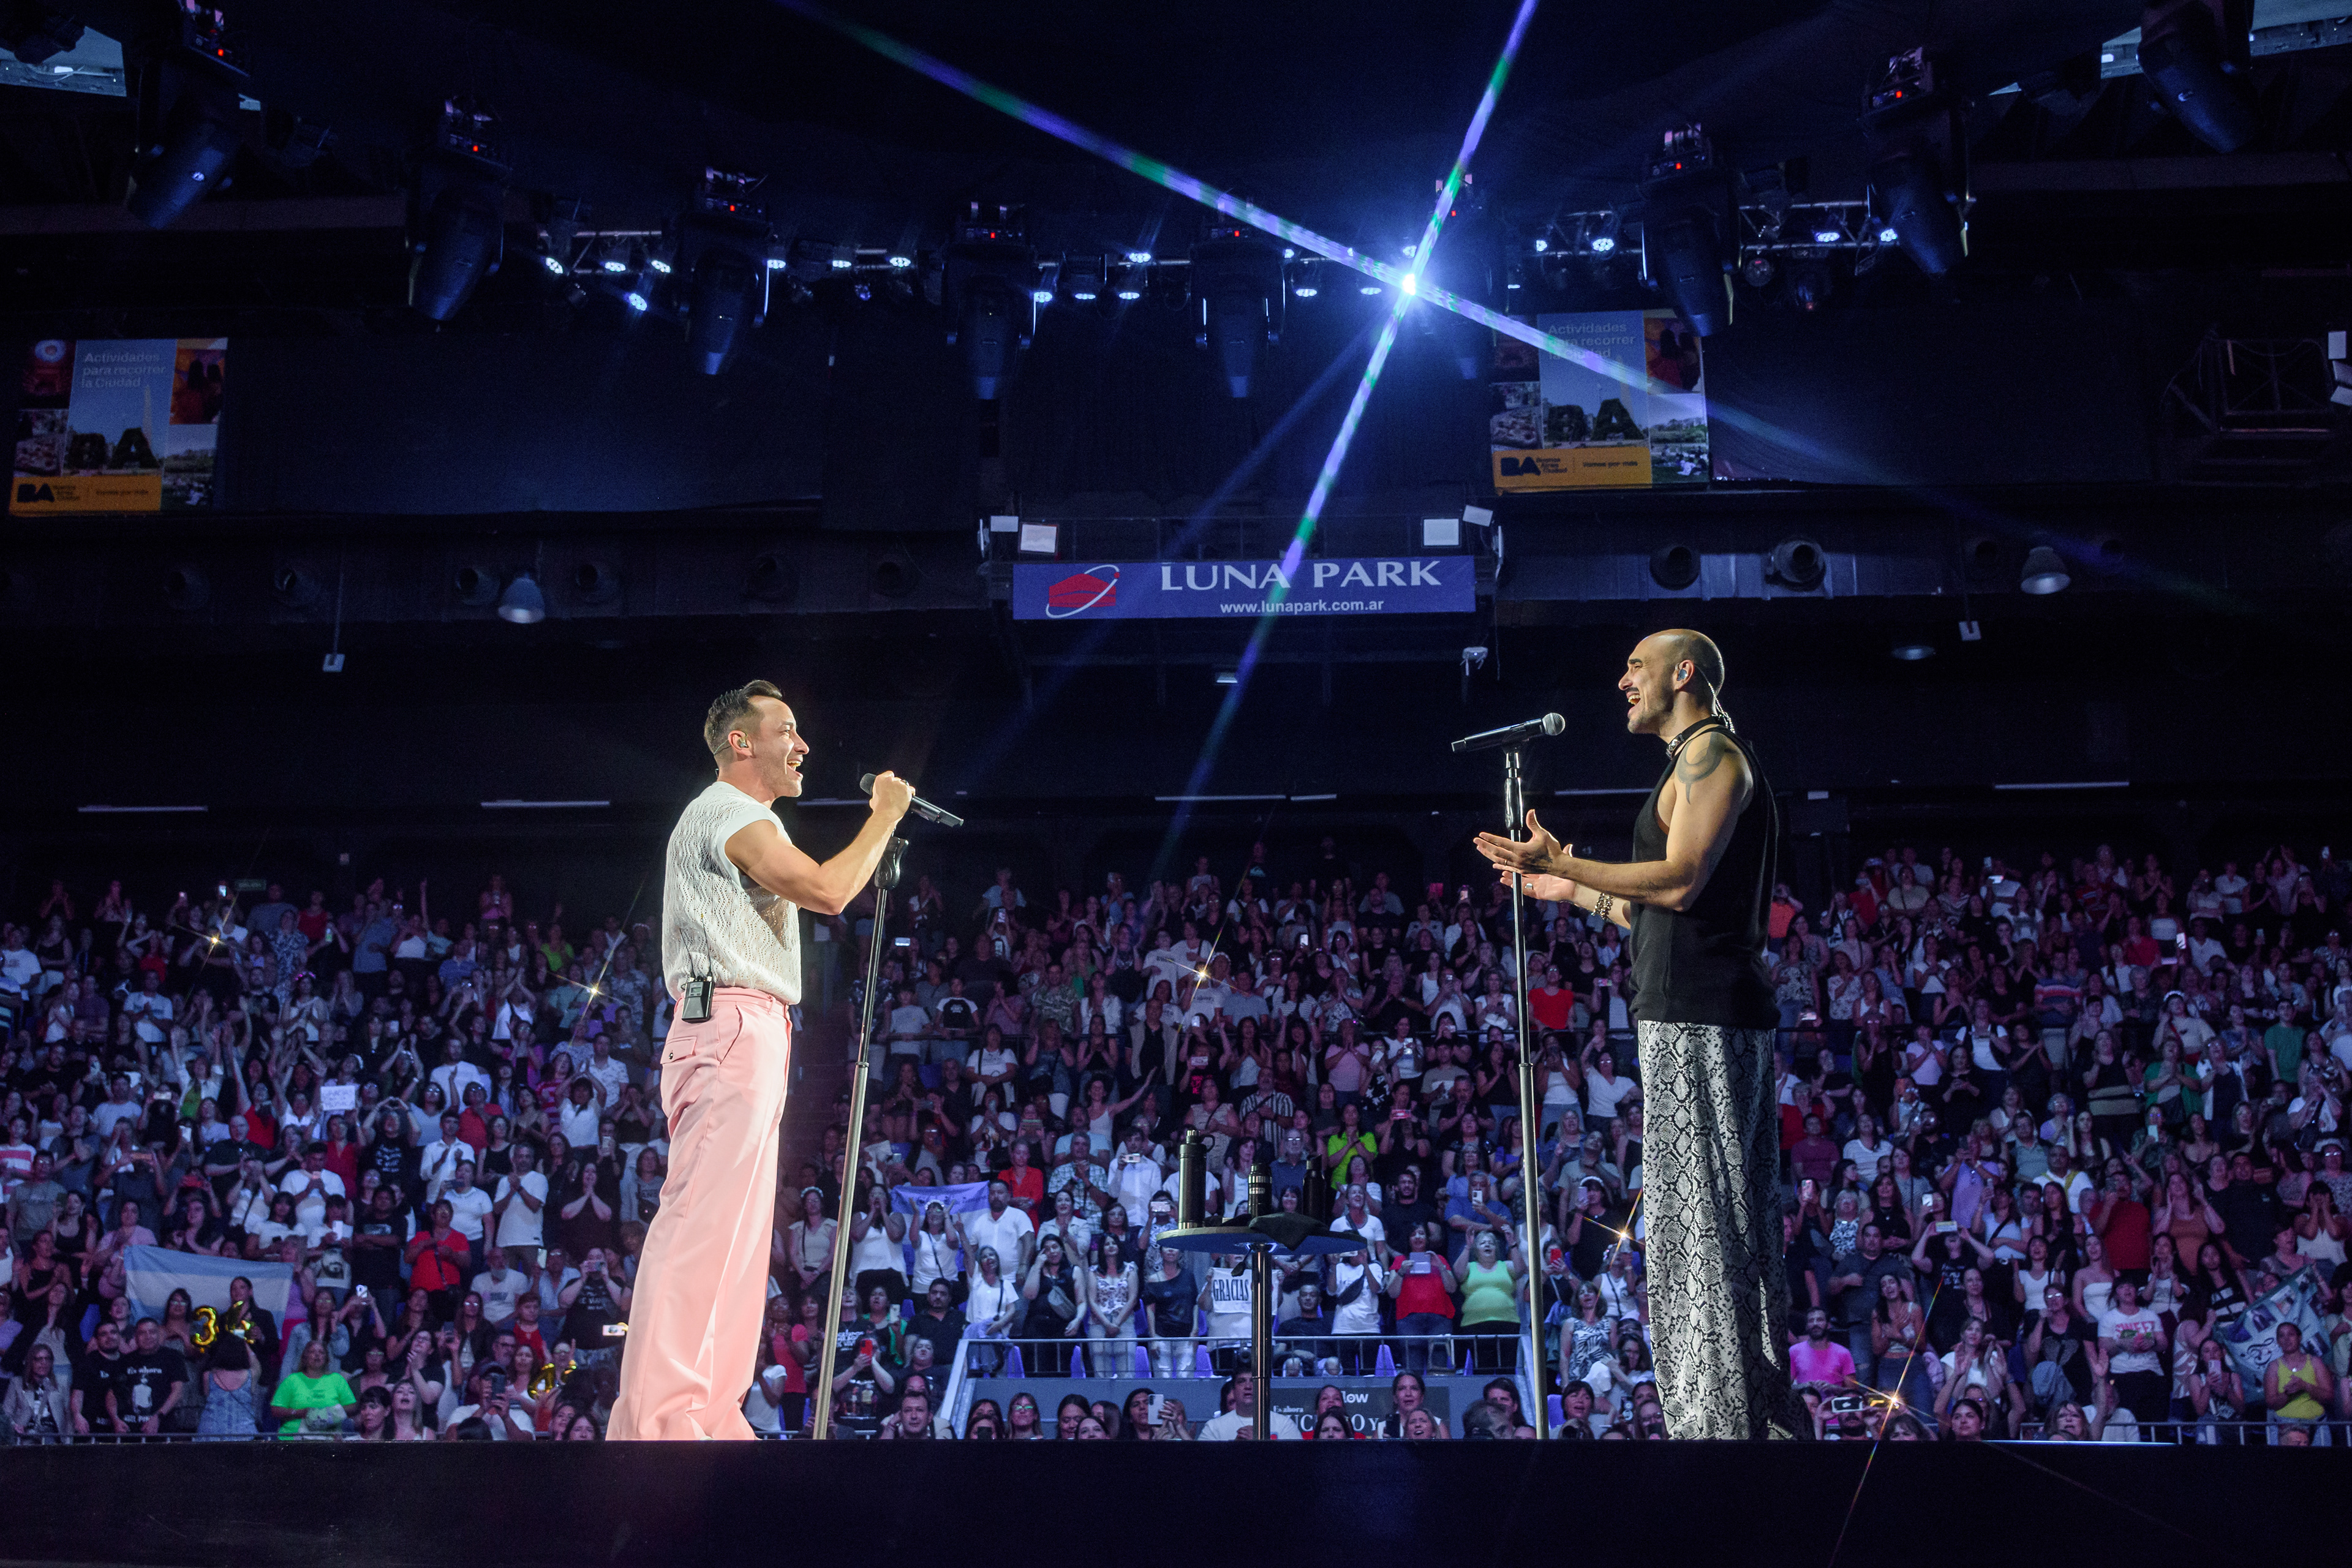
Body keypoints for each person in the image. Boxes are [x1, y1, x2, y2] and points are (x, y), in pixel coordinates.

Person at [1479, 629, 1801, 1439]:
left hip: (1701, 1018)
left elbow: (1682, 880)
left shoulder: (1713, 756)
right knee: (1713, 1225)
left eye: (1636, 666)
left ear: (1682, 674)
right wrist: (1568, 890)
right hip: (1688, 1013)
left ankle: (1720, 1429)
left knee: (1703, 1230)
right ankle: (1747, 1422)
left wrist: (1574, 861)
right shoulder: (1688, 763)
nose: (1622, 681)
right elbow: (1651, 908)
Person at [609, 682, 912, 1441]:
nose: (802, 744)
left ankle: (707, 1412)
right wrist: (884, 815)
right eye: (787, 730)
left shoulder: (747, 819)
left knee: (740, 1241)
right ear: (742, 743)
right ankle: (656, 1423)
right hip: (730, 1027)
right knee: (699, 1228)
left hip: (752, 1029)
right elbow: (828, 890)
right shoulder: (728, 813)